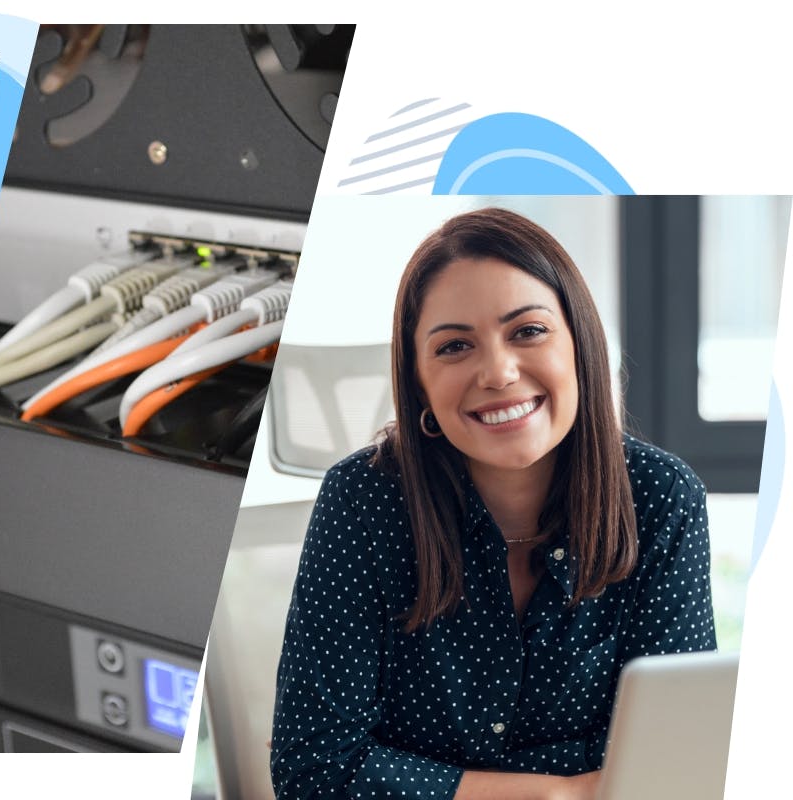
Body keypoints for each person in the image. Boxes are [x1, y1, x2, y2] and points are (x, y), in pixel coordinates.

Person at [270, 208, 715, 800]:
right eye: (455, 346)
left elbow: (677, 756)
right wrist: (557, 794)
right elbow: (313, 768)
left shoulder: (659, 497)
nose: (499, 373)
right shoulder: (363, 503)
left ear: (578, 344)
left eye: (528, 331)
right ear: (419, 383)